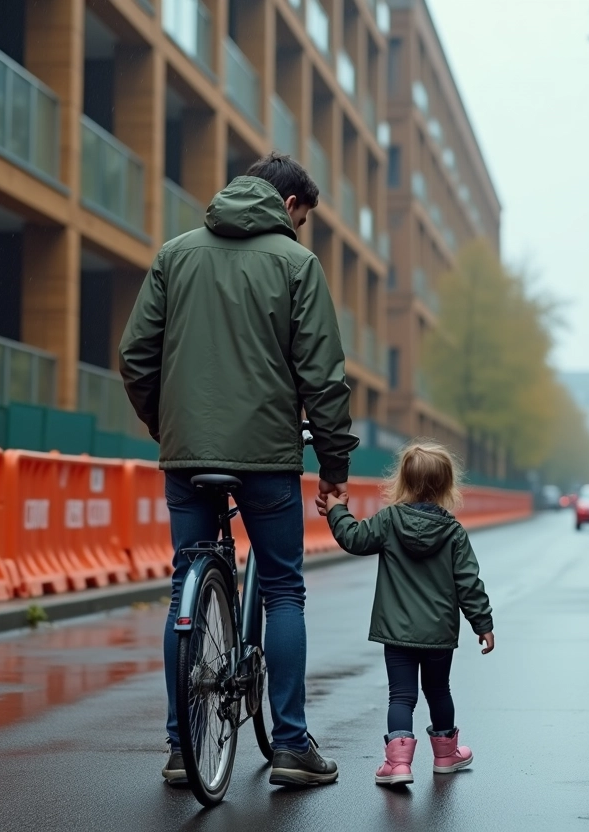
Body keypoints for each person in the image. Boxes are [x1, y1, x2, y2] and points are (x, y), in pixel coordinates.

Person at [120, 152, 357, 789]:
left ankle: (180, 748)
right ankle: (289, 744)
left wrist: (168, 428)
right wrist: (332, 463)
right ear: (287, 206)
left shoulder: (175, 254)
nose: (300, 231)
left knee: (183, 590)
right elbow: (324, 380)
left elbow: (136, 355)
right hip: (266, 459)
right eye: (301, 219)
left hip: (187, 454)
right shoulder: (296, 264)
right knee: (282, 588)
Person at [321, 441, 494, 786]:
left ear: (402, 481)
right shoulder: (453, 533)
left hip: (397, 633)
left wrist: (336, 509)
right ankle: (446, 756)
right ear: (447, 486)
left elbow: (354, 539)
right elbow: (468, 583)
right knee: (438, 691)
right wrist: (483, 623)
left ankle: (398, 765)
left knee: (401, 695)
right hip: (438, 634)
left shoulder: (388, 521)